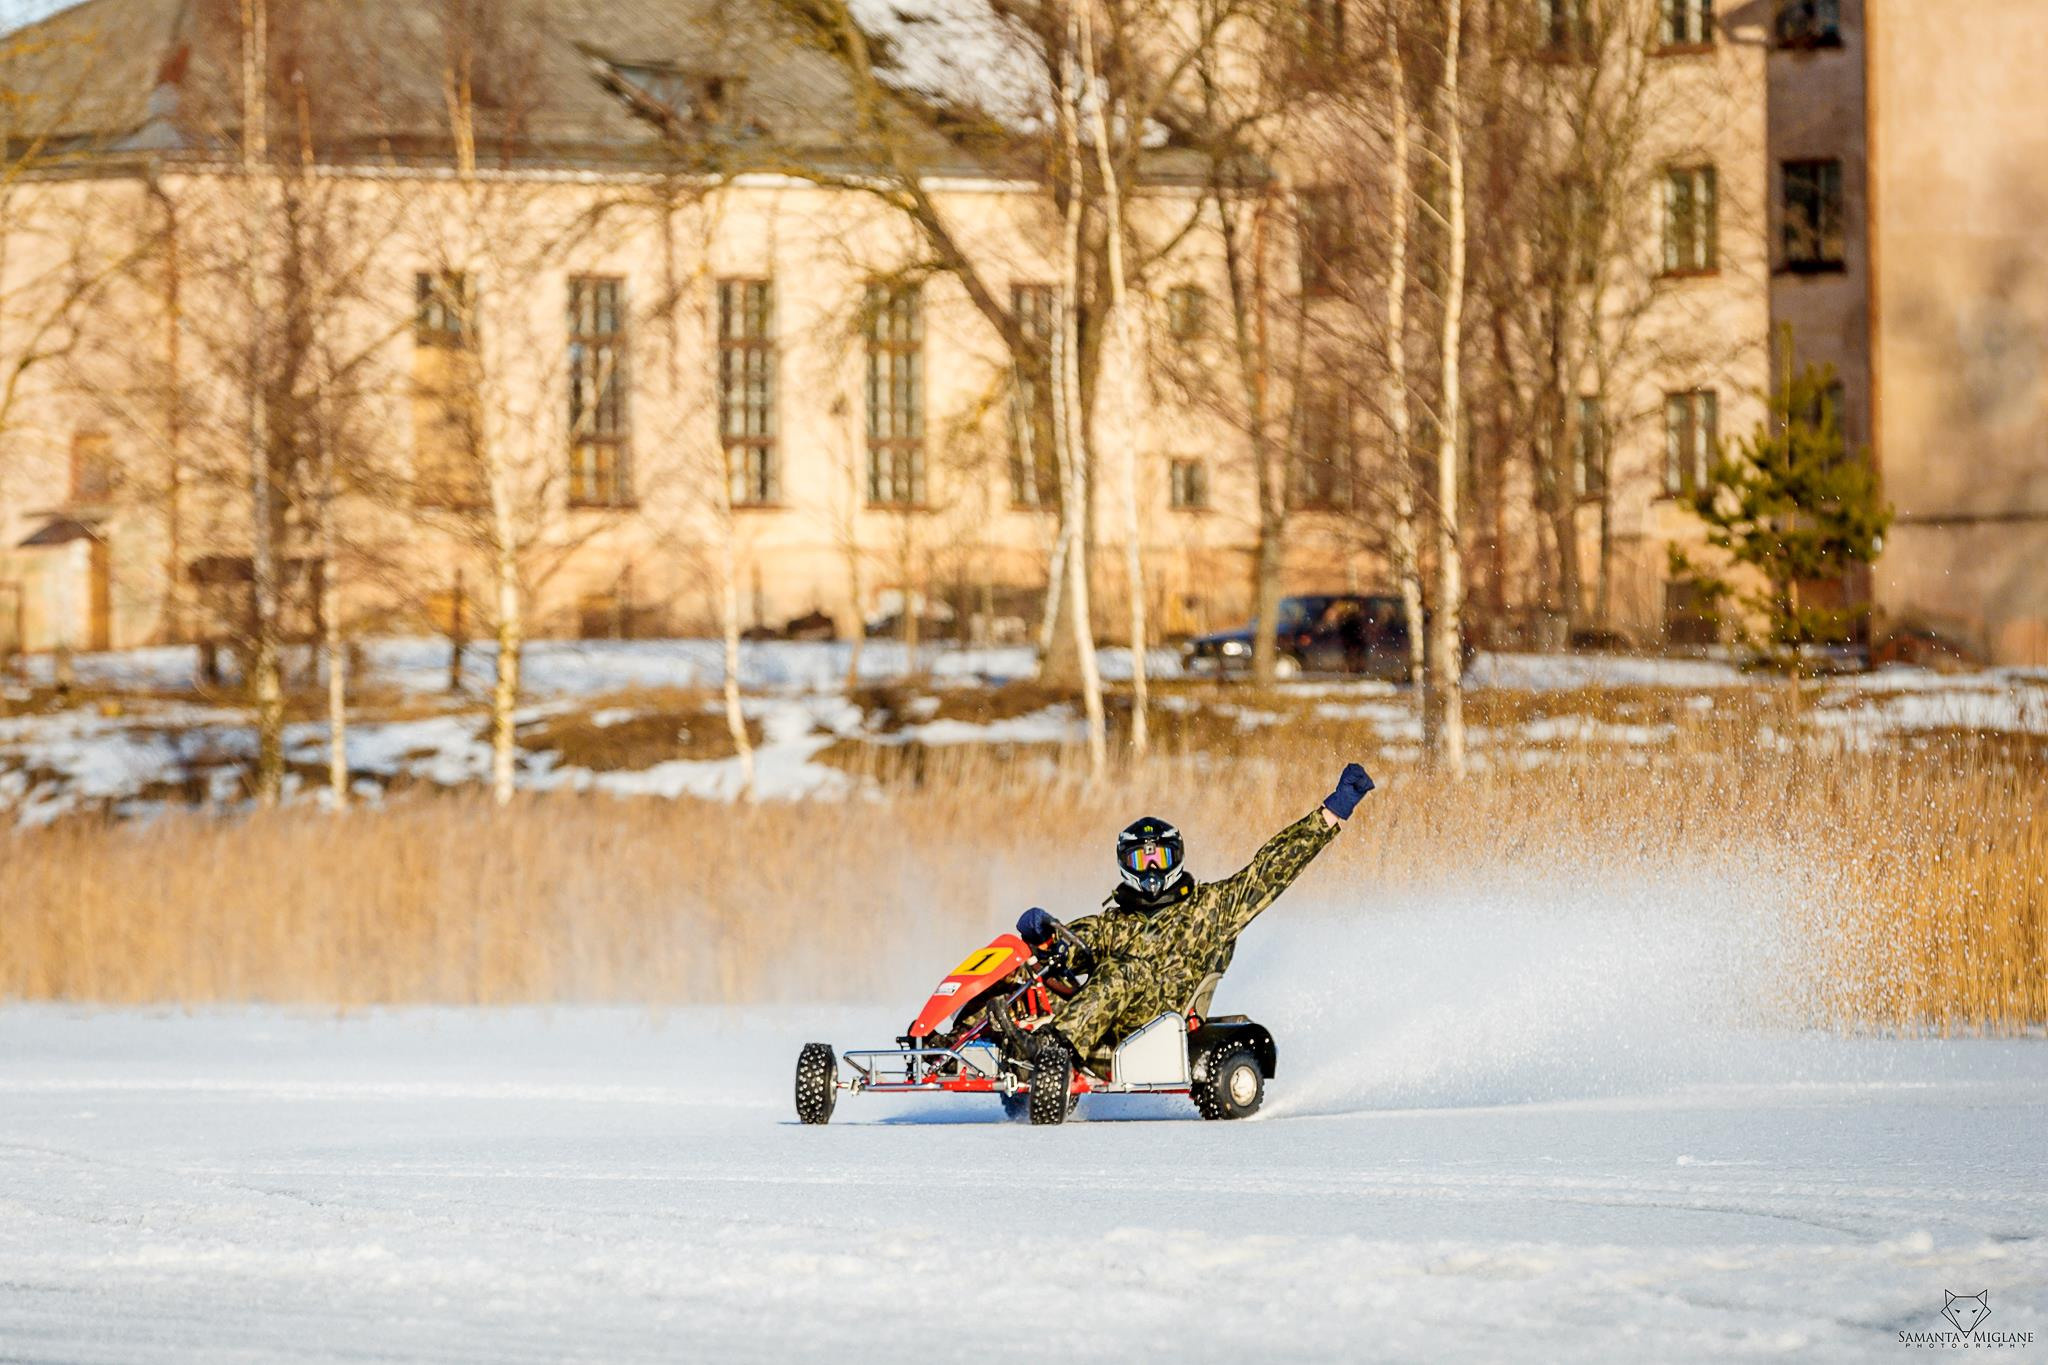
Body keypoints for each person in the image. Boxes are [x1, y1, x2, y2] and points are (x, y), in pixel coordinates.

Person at [1015, 763, 1375, 1087]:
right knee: (1025, 973)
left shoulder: (1210, 908)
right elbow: (1073, 947)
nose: (1152, 869)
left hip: (1159, 1024)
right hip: (1101, 1028)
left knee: (1124, 971)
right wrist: (1044, 937)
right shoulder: (1114, 922)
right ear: (1126, 864)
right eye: (1142, 860)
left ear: (1177, 858)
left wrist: (1330, 814)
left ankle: (1052, 1051)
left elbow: (1269, 870)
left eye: (1160, 858)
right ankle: (994, 1043)